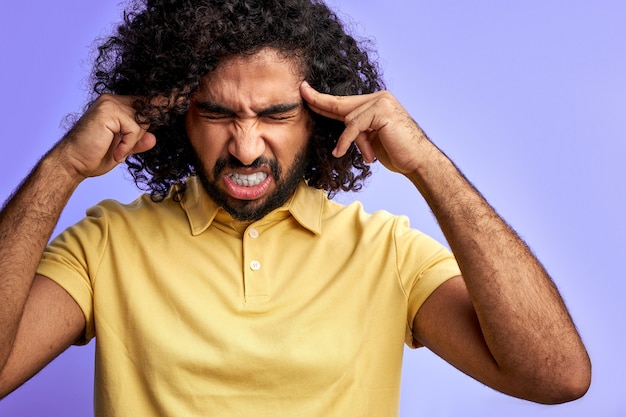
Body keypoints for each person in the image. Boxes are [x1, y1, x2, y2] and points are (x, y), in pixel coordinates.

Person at [0, 0, 591, 415]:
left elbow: (557, 378)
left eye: (276, 115)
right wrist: (61, 169)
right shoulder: (106, 244)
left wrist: (428, 165)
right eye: (219, 114)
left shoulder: (386, 251)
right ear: (178, 116)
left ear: (319, 118)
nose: (246, 146)